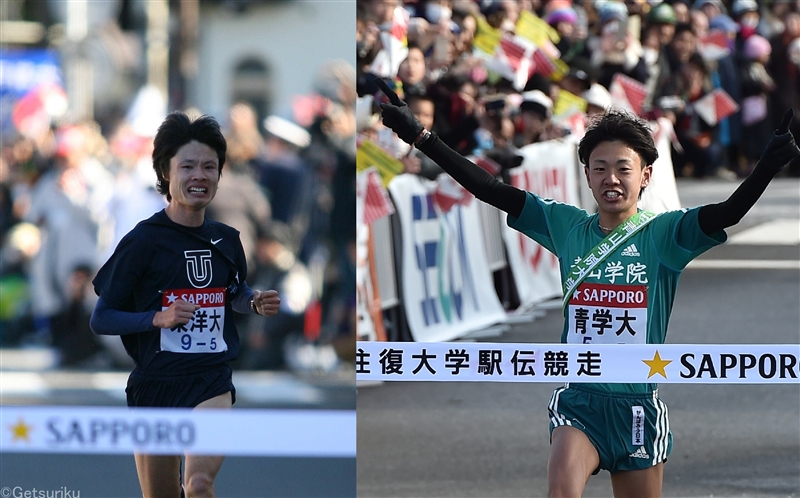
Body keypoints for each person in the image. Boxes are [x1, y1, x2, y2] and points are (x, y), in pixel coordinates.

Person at [375, 78, 799, 498]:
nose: (611, 178)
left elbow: (727, 212)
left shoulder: (665, 234)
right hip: (579, 401)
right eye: (600, 168)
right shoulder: (565, 226)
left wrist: (765, 167)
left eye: (623, 169)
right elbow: (490, 189)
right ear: (587, 175)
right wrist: (420, 137)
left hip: (637, 407)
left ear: (646, 175)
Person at [89, 111, 280, 498]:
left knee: (197, 484)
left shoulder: (227, 239)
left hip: (210, 379)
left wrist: (253, 301)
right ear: (165, 172)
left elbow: (232, 293)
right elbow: (102, 318)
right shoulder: (143, 241)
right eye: (188, 166)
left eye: (210, 166)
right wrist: (157, 317)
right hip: (154, 386)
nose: (200, 176)